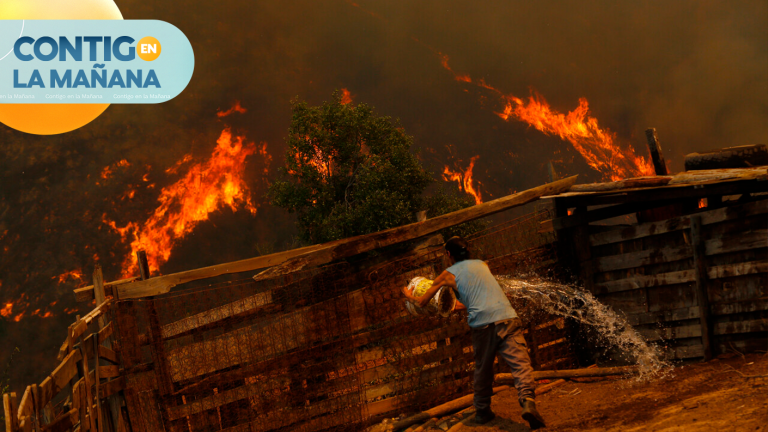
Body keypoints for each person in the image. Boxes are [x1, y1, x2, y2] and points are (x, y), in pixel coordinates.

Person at [402, 236, 546, 429]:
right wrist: (452, 306)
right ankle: (527, 400)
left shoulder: (447, 274)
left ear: (448, 254)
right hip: (507, 316)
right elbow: (477, 297)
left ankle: (482, 411)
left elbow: (423, 303)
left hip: (483, 325)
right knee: (520, 362)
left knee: (483, 368)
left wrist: (409, 296)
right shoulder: (483, 265)